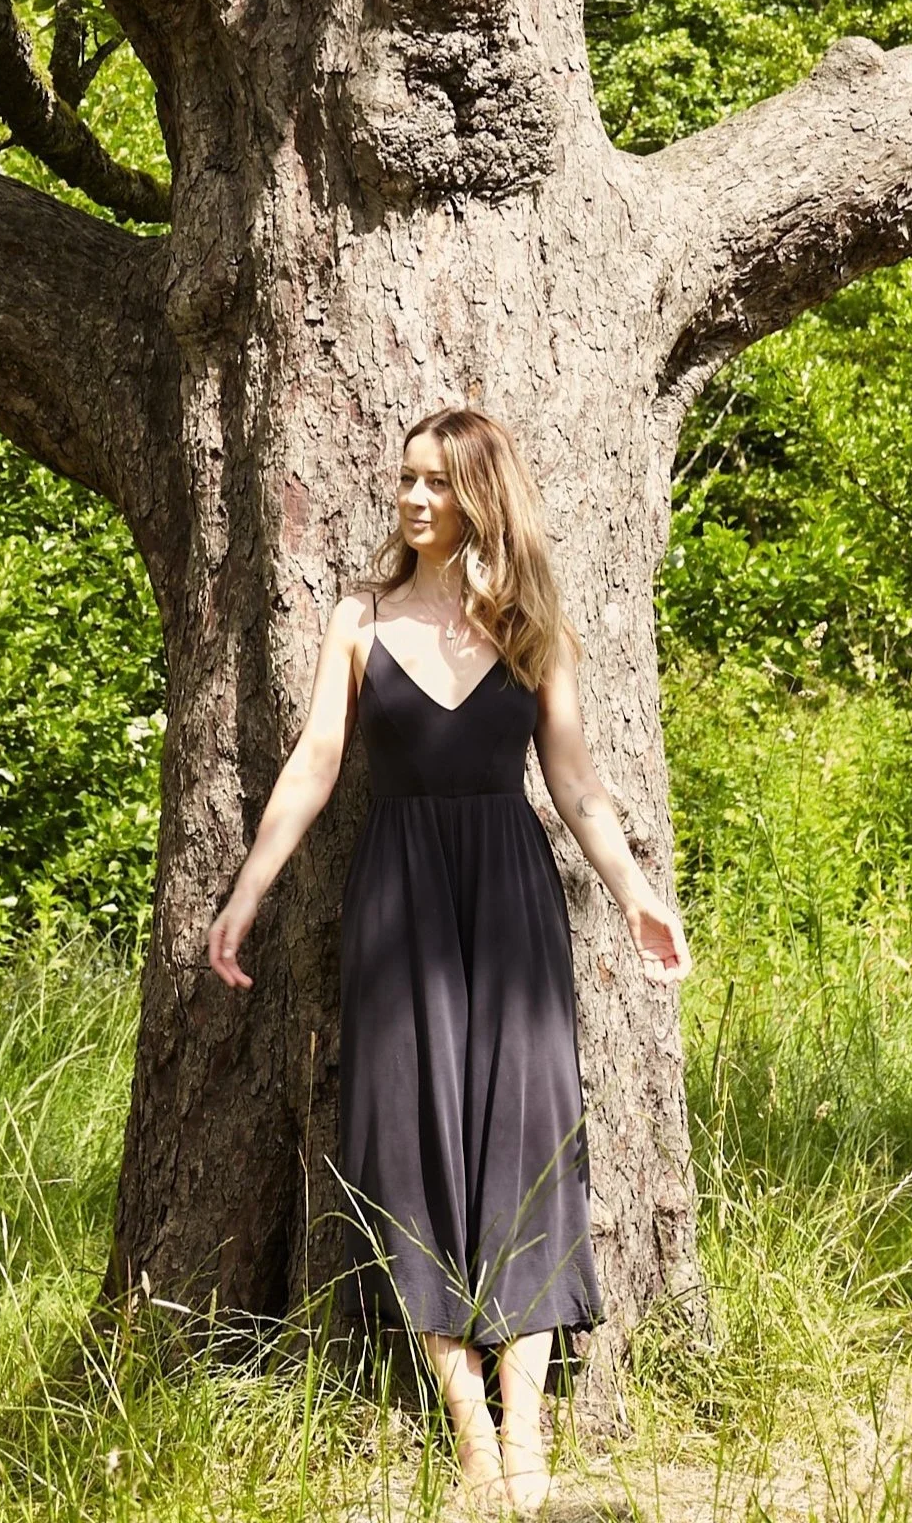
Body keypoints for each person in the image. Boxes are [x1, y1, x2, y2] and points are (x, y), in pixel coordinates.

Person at [207, 405, 692, 1514]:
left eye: (436, 482)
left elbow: (573, 782)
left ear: (481, 493)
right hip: (400, 904)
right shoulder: (359, 622)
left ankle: (528, 1425)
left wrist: (634, 896)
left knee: (523, 1142)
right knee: (409, 1141)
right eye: (406, 481)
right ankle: (467, 1419)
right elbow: (312, 767)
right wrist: (243, 895)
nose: (414, 500)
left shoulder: (534, 630)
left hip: (514, 903)